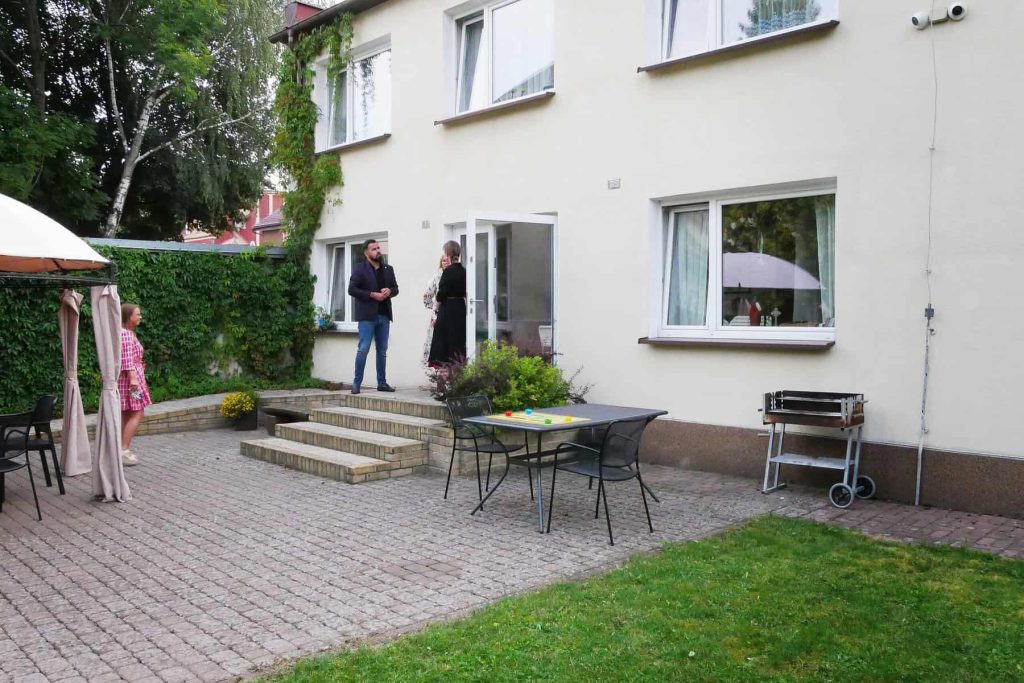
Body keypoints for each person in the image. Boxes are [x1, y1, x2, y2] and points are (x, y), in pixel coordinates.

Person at [348, 238, 399, 394]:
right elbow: (352, 289)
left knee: (382, 351)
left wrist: (390, 291)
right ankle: (356, 384)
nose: (378, 251)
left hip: (384, 315)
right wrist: (371, 294)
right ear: (366, 253)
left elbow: (396, 288)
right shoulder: (360, 268)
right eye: (374, 249)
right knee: (363, 349)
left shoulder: (388, 269)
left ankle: (382, 383)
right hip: (367, 316)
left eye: (378, 248)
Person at [118, 303, 151, 466]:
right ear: (129, 316)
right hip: (131, 383)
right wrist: (133, 379)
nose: (140, 317)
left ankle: (120, 449)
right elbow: (126, 358)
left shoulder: (128, 332)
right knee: (138, 412)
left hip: (133, 379)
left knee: (127, 413)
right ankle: (123, 450)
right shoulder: (125, 334)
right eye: (137, 314)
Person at [428, 241, 467, 366]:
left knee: (444, 344)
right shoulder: (464, 271)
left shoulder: (448, 271)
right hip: (460, 307)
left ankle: (446, 371)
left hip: (448, 309)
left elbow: (441, 293)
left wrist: (436, 307)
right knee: (458, 341)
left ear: (448, 253)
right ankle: (457, 367)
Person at [422, 253, 451, 366]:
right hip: (439, 312)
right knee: (438, 343)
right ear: (441, 263)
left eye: (448, 260)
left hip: (453, 311)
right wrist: (433, 308)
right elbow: (427, 294)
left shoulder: (456, 276)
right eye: (444, 260)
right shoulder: (436, 278)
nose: (446, 262)